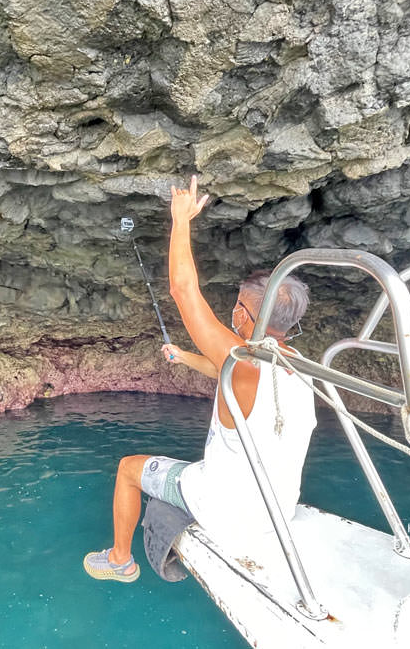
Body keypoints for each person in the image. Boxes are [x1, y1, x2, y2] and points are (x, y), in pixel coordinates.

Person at [83, 176, 316, 582]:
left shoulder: (242, 358)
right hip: (277, 511)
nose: (234, 311)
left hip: (225, 512)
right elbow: (232, 380)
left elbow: (183, 290)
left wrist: (181, 219)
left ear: (245, 315)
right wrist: (187, 358)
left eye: (238, 306)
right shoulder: (297, 367)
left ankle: (121, 559)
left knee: (128, 468)